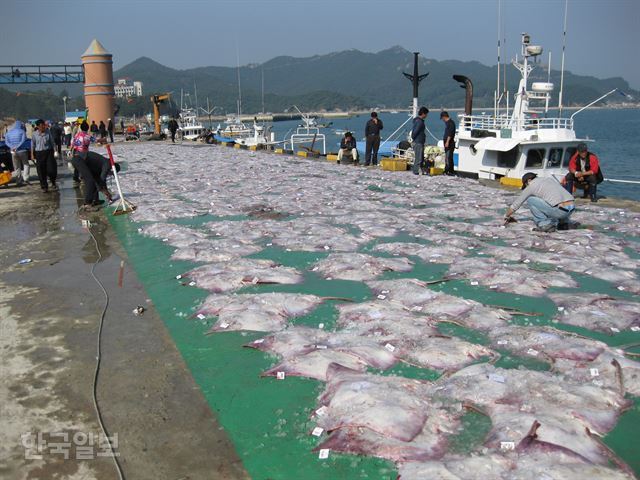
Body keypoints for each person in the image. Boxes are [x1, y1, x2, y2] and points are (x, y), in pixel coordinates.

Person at [504, 172, 575, 232]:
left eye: (525, 185)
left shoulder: (531, 186)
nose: (526, 186)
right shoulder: (548, 179)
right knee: (554, 199)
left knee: (531, 199)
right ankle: (563, 223)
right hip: (572, 208)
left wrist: (507, 215)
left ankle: (544, 224)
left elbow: (516, 204)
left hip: (560, 211)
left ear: (528, 181)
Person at [70, 121, 110, 209]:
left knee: (90, 176)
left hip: (76, 155)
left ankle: (96, 199)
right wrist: (103, 139)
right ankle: (88, 202)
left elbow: (72, 145)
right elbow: (97, 141)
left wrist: (71, 152)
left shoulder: (77, 135)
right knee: (90, 180)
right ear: (88, 128)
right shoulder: (87, 136)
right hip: (83, 157)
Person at [31, 119, 57, 192]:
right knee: (41, 171)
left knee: (51, 169)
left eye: (44, 126)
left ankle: (53, 182)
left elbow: (52, 142)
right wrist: (32, 155)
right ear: (38, 127)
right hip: (39, 153)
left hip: (48, 152)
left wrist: (55, 151)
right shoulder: (34, 134)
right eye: (41, 126)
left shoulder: (48, 132)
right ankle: (44, 187)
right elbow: (32, 145)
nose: (43, 127)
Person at [5, 120, 31, 186]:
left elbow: (6, 142)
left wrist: (12, 147)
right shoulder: (22, 131)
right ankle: (26, 178)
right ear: (20, 125)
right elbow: (23, 141)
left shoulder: (9, 133)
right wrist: (17, 146)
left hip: (13, 152)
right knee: (26, 164)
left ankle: (18, 181)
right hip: (22, 151)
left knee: (16, 167)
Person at [411, 107, 429, 175]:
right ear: (423, 113)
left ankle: (418, 170)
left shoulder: (417, 121)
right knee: (418, 158)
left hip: (418, 141)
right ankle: (416, 171)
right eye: (426, 114)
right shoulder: (419, 122)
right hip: (418, 141)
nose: (426, 116)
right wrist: (414, 138)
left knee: (419, 157)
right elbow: (415, 131)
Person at [441, 111, 456, 176]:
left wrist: (447, 142)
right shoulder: (448, 123)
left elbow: (450, 133)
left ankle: (450, 171)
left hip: (450, 142)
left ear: (444, 117)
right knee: (447, 156)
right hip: (446, 142)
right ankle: (447, 169)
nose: (442, 120)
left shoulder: (451, 123)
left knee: (449, 157)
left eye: (442, 118)